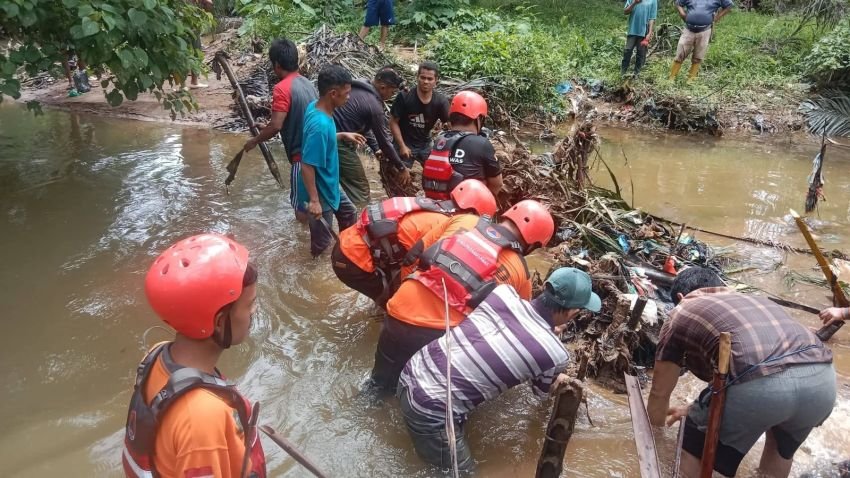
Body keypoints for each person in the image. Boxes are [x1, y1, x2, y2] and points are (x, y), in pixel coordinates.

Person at [398, 267, 601, 472]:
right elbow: (540, 392)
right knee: (463, 473)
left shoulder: (503, 293)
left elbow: (512, 327)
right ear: (573, 312)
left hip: (410, 371)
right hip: (430, 411)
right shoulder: (555, 352)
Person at [647, 267, 835, 478]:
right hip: (823, 383)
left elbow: (659, 393)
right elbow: (754, 360)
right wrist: (695, 408)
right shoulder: (759, 300)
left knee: (692, 447)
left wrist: (655, 438)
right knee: (778, 452)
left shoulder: (682, 310)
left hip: (760, 387)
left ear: (681, 297)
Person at [122, 234, 267, 478]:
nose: (255, 311)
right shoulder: (203, 417)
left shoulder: (156, 354)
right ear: (220, 323)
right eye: (250, 304)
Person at [371, 200, 555, 391]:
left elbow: (413, 257)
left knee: (378, 387)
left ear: (506, 215)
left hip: (399, 308)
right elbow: (514, 327)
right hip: (438, 333)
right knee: (419, 394)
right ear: (532, 245)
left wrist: (403, 293)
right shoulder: (520, 272)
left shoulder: (463, 220)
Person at [332, 179, 497, 309]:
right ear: (472, 214)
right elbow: (412, 268)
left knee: (384, 295)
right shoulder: (445, 226)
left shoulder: (431, 206)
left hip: (346, 244)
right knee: (393, 306)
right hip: (353, 260)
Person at [295, 65, 368, 258]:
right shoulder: (320, 125)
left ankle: (346, 253)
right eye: (346, 93)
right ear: (333, 94)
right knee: (322, 243)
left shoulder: (315, 107)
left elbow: (318, 143)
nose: (349, 97)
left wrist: (341, 135)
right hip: (319, 191)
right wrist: (314, 201)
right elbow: (307, 164)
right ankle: (315, 274)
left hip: (330, 183)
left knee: (349, 214)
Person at [243, 38, 318, 219]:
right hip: (318, 156)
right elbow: (297, 117)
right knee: (317, 207)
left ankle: (303, 245)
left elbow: (276, 125)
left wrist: (254, 141)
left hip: (302, 160)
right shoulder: (307, 84)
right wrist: (265, 127)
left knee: (301, 215)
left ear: (276, 65)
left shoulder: (282, 89)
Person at [333, 67, 411, 206]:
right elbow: (385, 143)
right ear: (382, 87)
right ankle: (359, 218)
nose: (391, 96)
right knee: (360, 189)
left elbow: (365, 127)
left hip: (327, 134)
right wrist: (401, 168)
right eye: (392, 92)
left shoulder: (362, 87)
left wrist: (375, 149)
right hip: (339, 143)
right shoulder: (374, 106)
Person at [422, 91, 502, 199]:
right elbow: (497, 184)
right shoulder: (482, 143)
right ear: (478, 119)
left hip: (434, 202)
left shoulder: (439, 140)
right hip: (464, 207)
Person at [389, 62, 450, 168]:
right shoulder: (405, 96)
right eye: (423, 77)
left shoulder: (440, 101)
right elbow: (393, 122)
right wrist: (402, 145)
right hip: (404, 141)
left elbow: (450, 124)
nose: (425, 81)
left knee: (435, 172)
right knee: (399, 176)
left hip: (425, 143)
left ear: (436, 81)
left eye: (430, 79)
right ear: (417, 77)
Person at [669, 0, 734, 81]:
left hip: (705, 30)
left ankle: (691, 80)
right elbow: (678, 3)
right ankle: (671, 79)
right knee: (680, 54)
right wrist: (682, 13)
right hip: (688, 29)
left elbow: (729, 5)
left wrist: (718, 17)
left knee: (698, 57)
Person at [621, 0, 657, 77]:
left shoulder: (653, 1)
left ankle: (636, 73)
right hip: (632, 30)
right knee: (628, 50)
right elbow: (625, 12)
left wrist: (650, 33)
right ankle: (623, 72)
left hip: (644, 31)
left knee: (641, 53)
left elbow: (652, 18)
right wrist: (634, 3)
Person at [188, 0, 214, 88]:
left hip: (194, 25)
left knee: (197, 52)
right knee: (182, 52)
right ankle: (181, 84)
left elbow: (209, 4)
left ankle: (194, 82)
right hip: (184, 22)